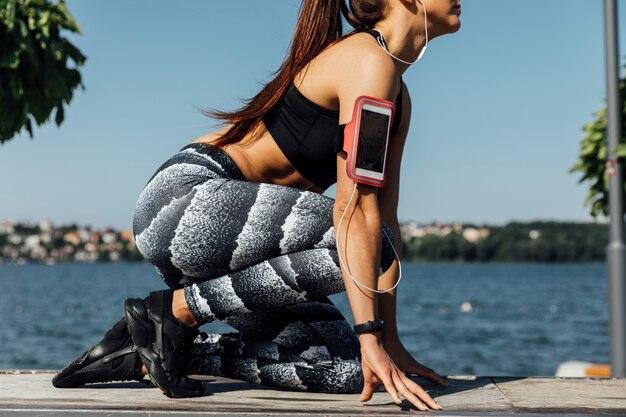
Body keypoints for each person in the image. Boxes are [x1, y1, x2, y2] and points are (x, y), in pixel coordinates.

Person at [53, 0, 461, 411]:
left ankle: (151, 351)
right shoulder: (367, 60)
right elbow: (356, 212)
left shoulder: (397, 96)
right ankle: (175, 310)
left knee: (348, 370)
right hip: (182, 204)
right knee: (374, 247)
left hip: (236, 256)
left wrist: (387, 342)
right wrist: (370, 332)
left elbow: (383, 217)